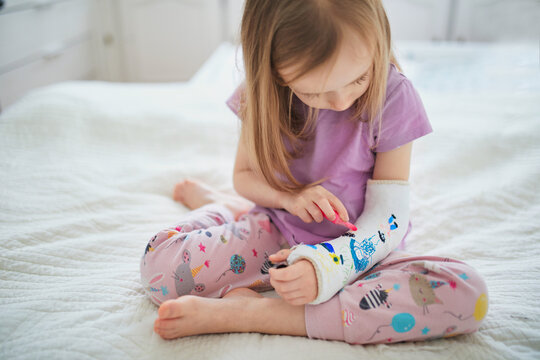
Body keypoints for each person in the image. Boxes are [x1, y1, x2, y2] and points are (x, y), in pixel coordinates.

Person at [140, 0, 488, 344]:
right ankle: (229, 208)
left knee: (466, 296)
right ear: (274, 71)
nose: (340, 101)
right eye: (313, 91)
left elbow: (390, 216)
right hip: (279, 228)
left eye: (359, 78)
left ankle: (254, 314)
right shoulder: (261, 95)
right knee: (160, 270)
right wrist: (289, 199)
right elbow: (245, 175)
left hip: (362, 248)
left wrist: (327, 268)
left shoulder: (394, 96)